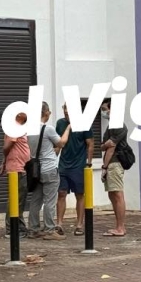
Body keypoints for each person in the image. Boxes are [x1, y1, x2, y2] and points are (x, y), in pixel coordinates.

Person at [27, 101, 69, 240]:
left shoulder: (29, 129)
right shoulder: (48, 129)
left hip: (35, 170)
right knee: (50, 201)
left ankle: (33, 229)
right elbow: (61, 143)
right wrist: (68, 129)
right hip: (49, 168)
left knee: (36, 200)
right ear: (46, 113)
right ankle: (50, 230)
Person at [55, 101, 94, 236]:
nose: (66, 111)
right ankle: (59, 224)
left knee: (80, 195)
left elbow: (90, 144)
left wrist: (89, 163)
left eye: (69, 108)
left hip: (78, 165)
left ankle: (79, 225)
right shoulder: (60, 124)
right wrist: (53, 157)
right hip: (63, 165)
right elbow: (58, 143)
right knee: (61, 193)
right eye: (65, 108)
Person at [99, 98, 128, 237]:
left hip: (114, 163)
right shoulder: (110, 125)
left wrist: (104, 167)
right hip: (109, 164)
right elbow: (103, 145)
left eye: (105, 109)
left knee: (117, 194)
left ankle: (120, 227)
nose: (103, 112)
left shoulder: (118, 125)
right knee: (112, 194)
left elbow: (110, 147)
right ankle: (118, 226)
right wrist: (105, 145)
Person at [0, 111, 31, 237]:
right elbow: (7, 147)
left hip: (20, 168)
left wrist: (4, 163)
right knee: (16, 200)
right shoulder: (14, 128)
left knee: (19, 200)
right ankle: (11, 229)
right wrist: (5, 162)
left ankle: (19, 227)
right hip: (17, 169)